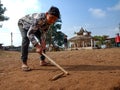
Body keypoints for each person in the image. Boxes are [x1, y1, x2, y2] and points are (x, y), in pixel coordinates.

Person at [18, 6, 60, 71]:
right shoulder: (39, 19)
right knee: (25, 39)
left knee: (43, 42)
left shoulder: (49, 22)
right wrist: (37, 46)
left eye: (55, 19)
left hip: (35, 27)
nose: (52, 21)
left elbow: (43, 33)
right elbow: (29, 34)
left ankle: (42, 61)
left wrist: (43, 44)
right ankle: (24, 63)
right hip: (23, 24)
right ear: (46, 14)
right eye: (51, 18)